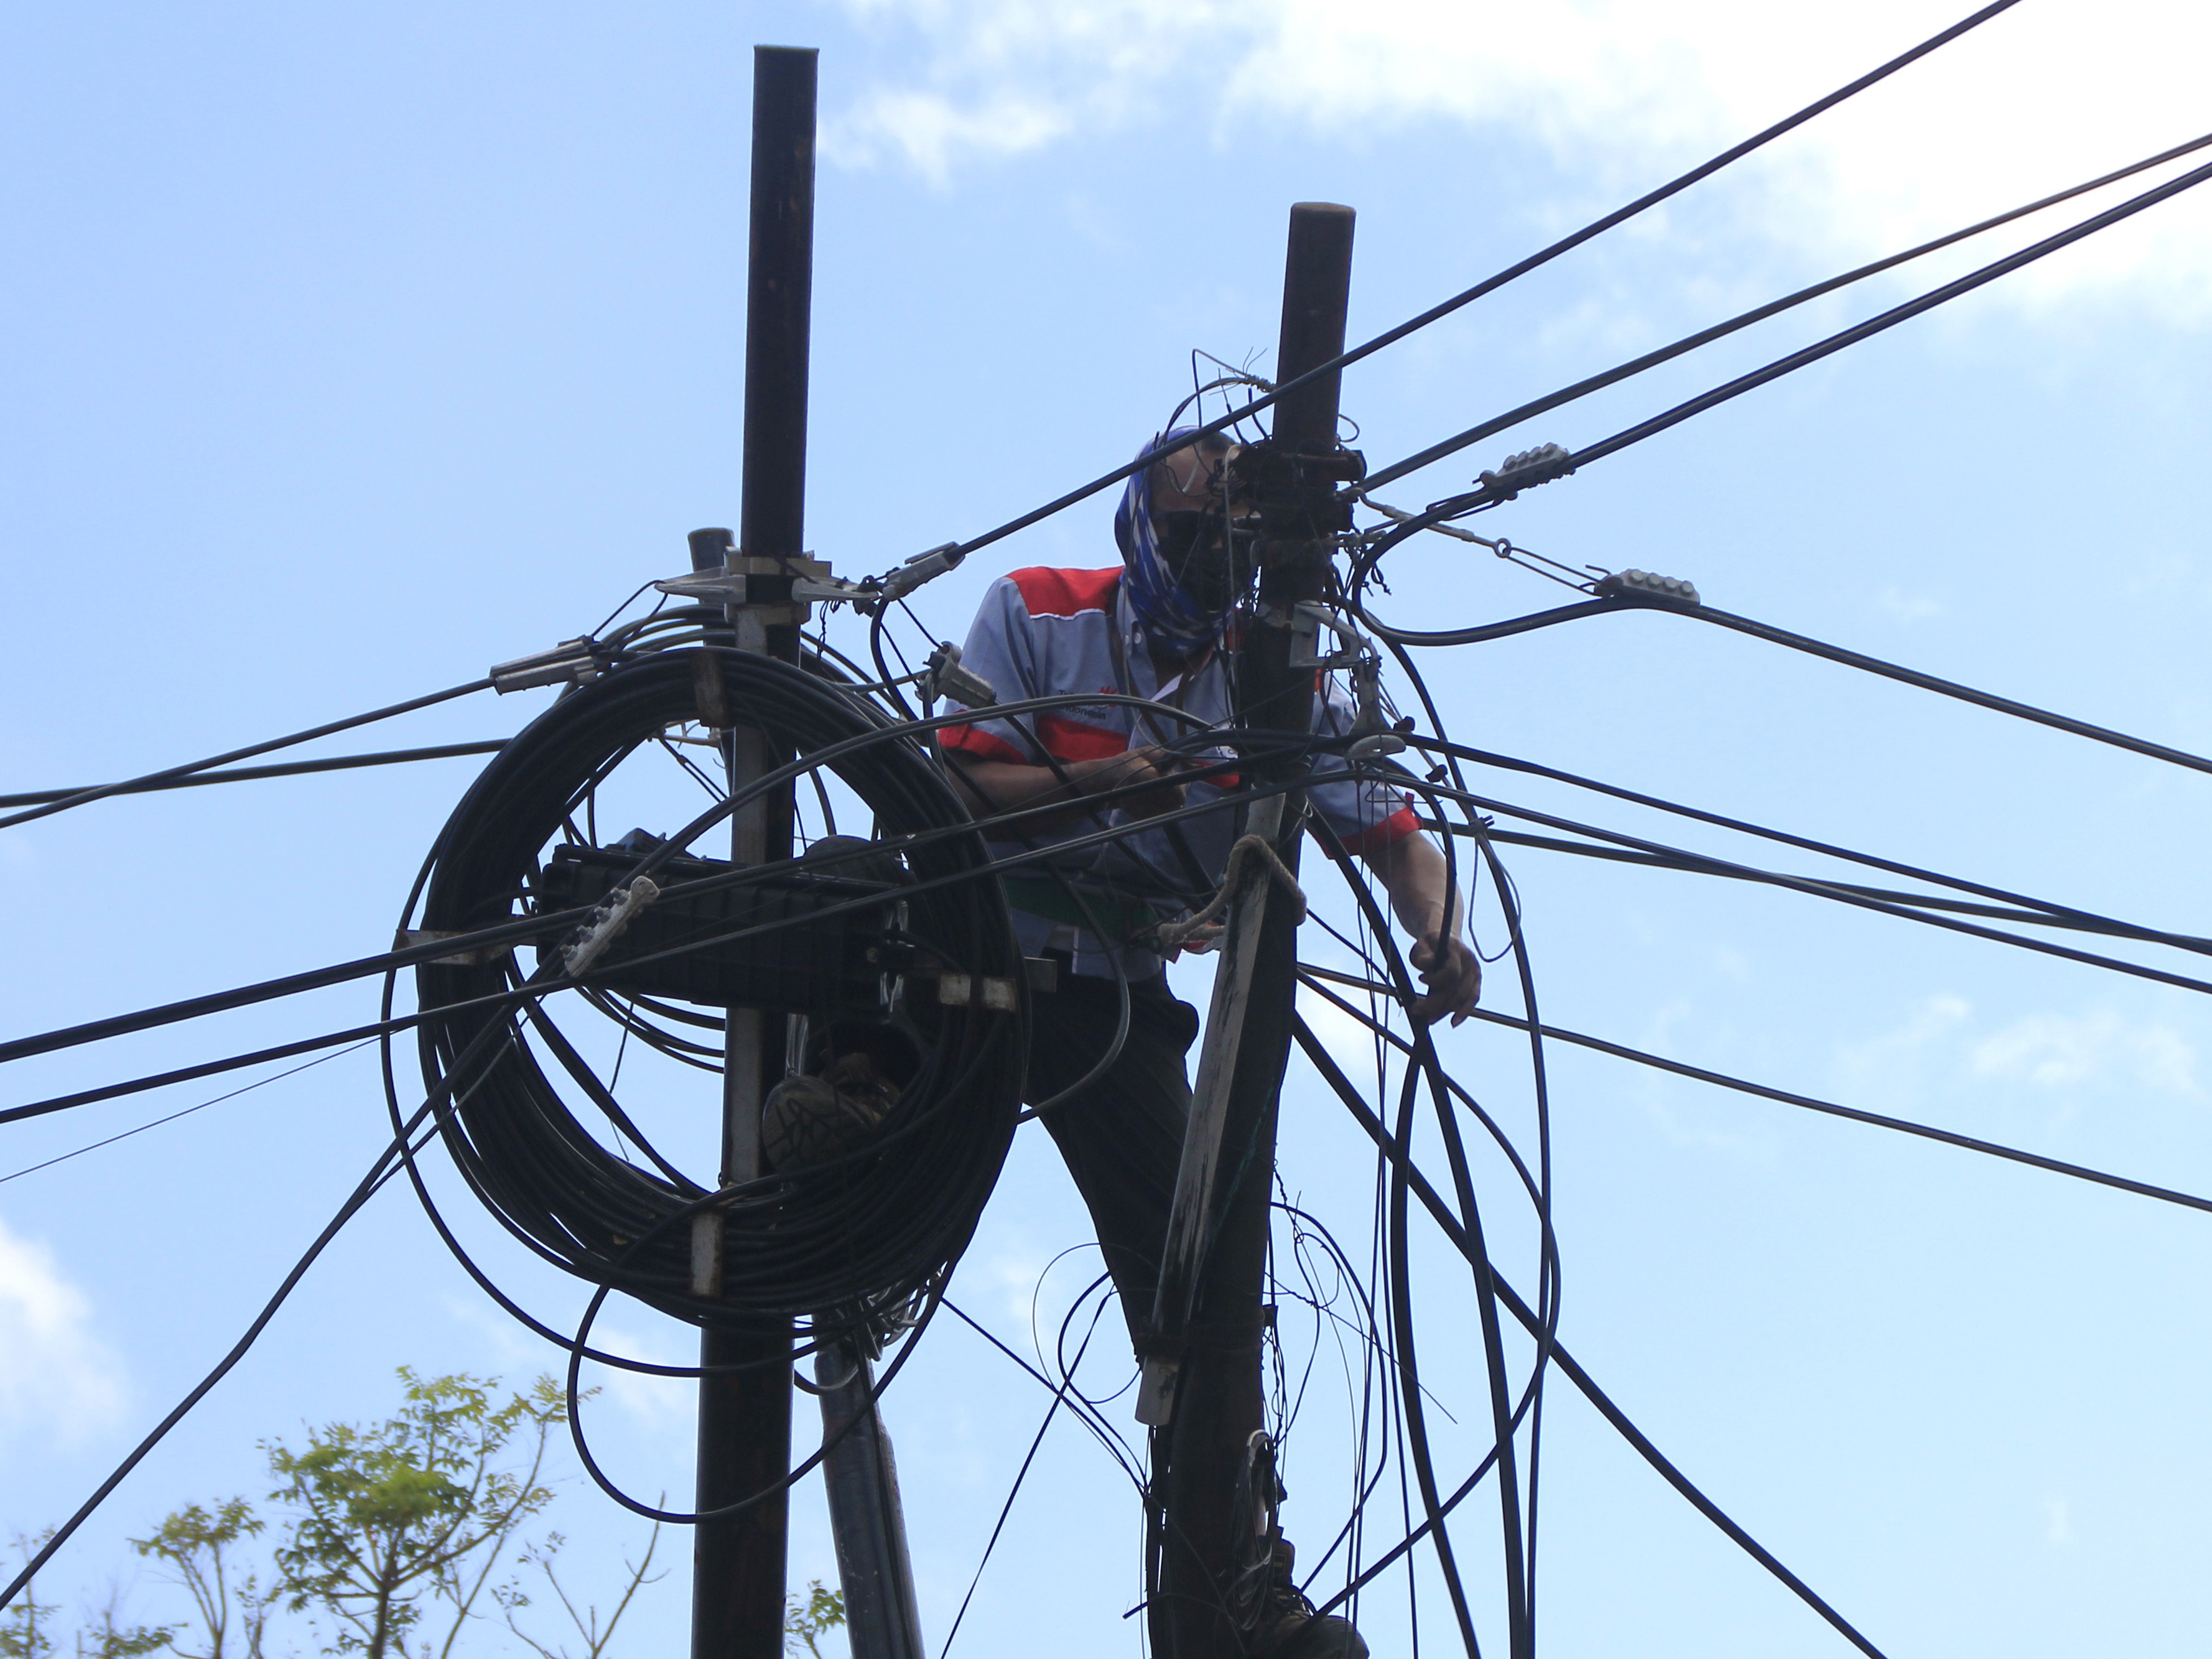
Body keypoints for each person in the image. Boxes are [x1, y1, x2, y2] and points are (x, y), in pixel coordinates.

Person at [937, 428, 1479, 1657]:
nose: (1203, 556)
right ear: (1139, 521)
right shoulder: (1039, 611)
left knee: (1196, 1286)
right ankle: (848, 1109)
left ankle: (1234, 1563)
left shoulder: (1266, 669)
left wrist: (1438, 932)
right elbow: (958, 786)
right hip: (967, 948)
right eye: (1186, 531)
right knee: (861, 1024)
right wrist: (1107, 779)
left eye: (1225, 541)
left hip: (1106, 987)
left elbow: (1391, 830)